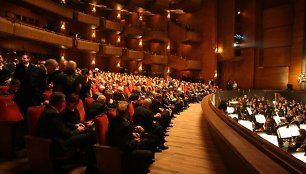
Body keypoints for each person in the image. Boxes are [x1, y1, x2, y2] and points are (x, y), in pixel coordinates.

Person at [36, 92, 97, 173]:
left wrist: (74, 126)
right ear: (59, 103)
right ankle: (90, 166)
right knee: (91, 135)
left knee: (87, 133)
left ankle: (86, 161)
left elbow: (62, 126)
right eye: (64, 101)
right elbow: (64, 133)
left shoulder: (49, 110)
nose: (64, 103)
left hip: (59, 138)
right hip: (59, 143)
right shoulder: (53, 114)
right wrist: (77, 131)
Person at [108, 101, 154, 174]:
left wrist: (133, 133)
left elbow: (123, 134)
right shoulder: (124, 125)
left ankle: (141, 166)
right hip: (121, 151)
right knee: (148, 153)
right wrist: (135, 141)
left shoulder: (114, 119)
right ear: (127, 112)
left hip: (123, 143)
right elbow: (126, 146)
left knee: (148, 140)